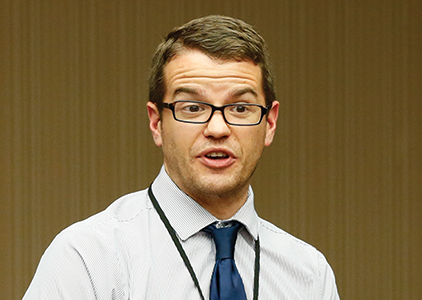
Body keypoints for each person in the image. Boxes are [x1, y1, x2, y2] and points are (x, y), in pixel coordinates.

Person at [23, 15, 340, 299]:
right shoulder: (89, 259)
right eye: (193, 108)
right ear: (156, 122)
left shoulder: (310, 275)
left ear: (269, 123)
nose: (218, 128)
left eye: (240, 108)